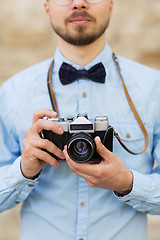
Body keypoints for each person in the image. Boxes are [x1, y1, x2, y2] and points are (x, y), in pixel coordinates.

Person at [0, 0, 160, 239]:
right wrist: (24, 170)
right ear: (47, 9)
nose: (78, 3)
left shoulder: (153, 88)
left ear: (111, 6)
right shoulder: (13, 92)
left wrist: (127, 183)